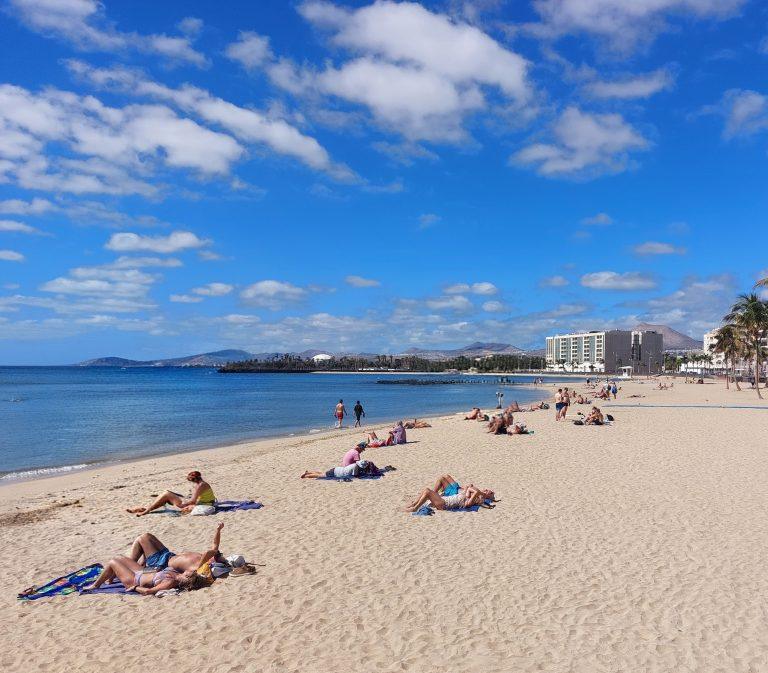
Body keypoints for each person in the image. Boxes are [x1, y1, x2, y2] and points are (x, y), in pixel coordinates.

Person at [85, 524, 224, 595]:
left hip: (149, 570)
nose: (215, 556)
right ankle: (116, 572)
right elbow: (214, 546)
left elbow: (209, 551)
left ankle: (101, 582)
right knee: (142, 539)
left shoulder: (197, 568)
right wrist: (218, 530)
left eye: (216, 557)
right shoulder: (186, 573)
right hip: (163, 559)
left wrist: (135, 587)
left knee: (137, 543)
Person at [126, 471, 216, 517]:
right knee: (165, 497)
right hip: (204, 502)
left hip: (201, 504)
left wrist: (183, 504)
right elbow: (196, 498)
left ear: (195, 480)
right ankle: (143, 509)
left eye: (191, 481)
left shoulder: (200, 485)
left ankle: (145, 511)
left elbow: (193, 501)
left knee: (166, 494)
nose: (192, 483)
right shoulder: (202, 484)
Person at [404, 479, 495, 512]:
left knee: (428, 491)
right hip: (443, 499)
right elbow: (470, 488)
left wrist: (480, 494)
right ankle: (414, 504)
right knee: (426, 490)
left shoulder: (468, 503)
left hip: (444, 504)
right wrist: (479, 493)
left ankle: (415, 508)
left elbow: (475, 492)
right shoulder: (466, 495)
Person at [301, 460, 365, 479]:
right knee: (320, 476)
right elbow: (355, 476)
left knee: (322, 473)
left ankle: (308, 472)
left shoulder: (354, 464)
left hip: (337, 469)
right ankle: (306, 476)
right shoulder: (356, 467)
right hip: (336, 473)